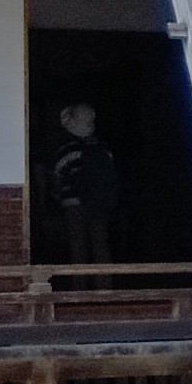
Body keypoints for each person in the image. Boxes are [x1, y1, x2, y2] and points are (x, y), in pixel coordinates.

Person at [47, 102, 120, 269]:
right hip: (100, 203)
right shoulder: (104, 148)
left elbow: (56, 182)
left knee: (78, 247)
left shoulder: (66, 150)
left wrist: (54, 199)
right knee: (100, 245)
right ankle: (104, 288)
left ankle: (80, 289)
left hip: (73, 205)